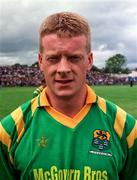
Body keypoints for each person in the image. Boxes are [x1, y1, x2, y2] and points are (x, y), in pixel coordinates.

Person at [0, 12, 137, 180]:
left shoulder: (127, 130)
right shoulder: (8, 132)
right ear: (41, 61)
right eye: (53, 58)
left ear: (89, 60)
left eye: (74, 58)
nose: (63, 68)